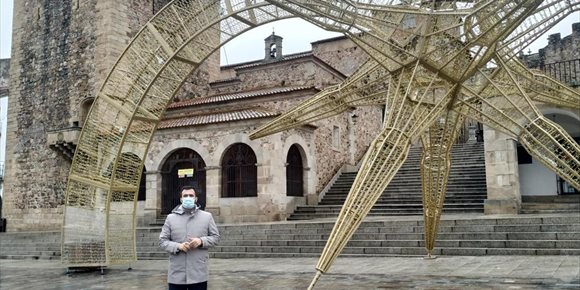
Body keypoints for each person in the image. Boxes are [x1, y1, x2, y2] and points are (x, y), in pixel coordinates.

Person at [159, 186, 220, 290]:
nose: (188, 198)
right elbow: (162, 241)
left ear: (196, 199)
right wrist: (178, 246)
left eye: (191, 195)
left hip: (198, 273)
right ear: (181, 199)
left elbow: (216, 237)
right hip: (176, 274)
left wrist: (201, 241)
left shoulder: (207, 216)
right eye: (185, 196)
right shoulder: (170, 218)